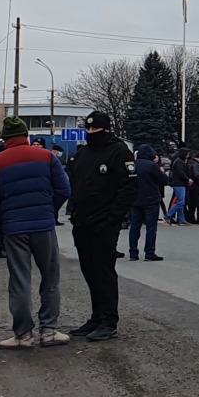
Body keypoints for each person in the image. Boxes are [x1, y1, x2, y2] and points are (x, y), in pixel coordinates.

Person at [0, 116, 72, 348]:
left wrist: (3, 218)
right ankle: (49, 331)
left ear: (5, 139)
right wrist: (49, 211)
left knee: (19, 279)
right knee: (50, 278)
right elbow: (64, 189)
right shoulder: (47, 157)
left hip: (14, 228)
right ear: (26, 136)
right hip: (43, 226)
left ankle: (23, 335)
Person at [66, 110, 135, 341]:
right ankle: (96, 317)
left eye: (95, 130)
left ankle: (108, 320)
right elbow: (75, 184)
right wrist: (74, 212)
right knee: (89, 271)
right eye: (88, 129)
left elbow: (128, 188)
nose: (91, 133)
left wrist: (112, 220)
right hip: (82, 223)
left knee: (103, 272)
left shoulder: (119, 152)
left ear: (106, 130)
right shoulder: (83, 153)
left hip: (104, 224)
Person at [129, 145, 167, 259]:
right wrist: (162, 172)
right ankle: (149, 252)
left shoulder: (131, 165)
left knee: (134, 227)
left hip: (135, 200)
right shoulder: (152, 166)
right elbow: (164, 181)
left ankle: (133, 253)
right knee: (151, 227)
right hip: (151, 200)